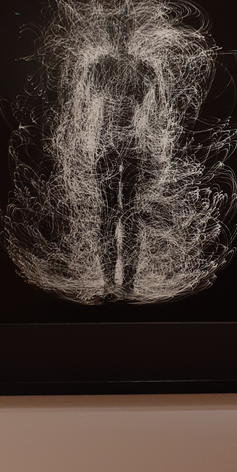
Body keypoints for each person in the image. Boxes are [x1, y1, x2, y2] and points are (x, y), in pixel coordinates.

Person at [90, 18, 158, 299]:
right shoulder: (102, 67)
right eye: (115, 31)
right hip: (114, 147)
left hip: (126, 147)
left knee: (126, 214)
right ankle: (112, 284)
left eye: (121, 31)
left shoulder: (141, 68)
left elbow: (153, 114)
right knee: (112, 214)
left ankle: (125, 285)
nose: (118, 36)